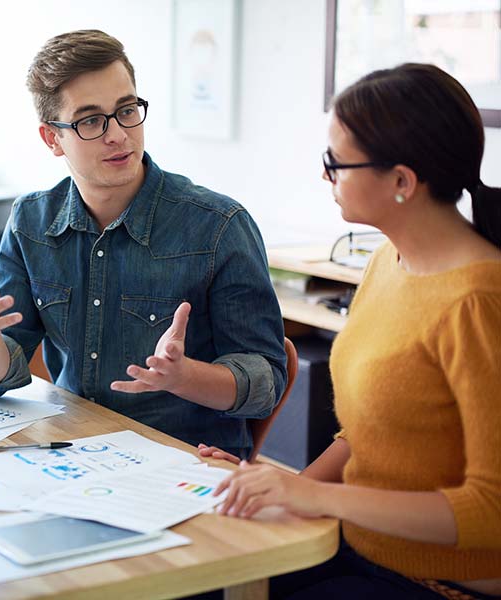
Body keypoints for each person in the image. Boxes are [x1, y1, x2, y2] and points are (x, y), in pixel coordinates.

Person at [199, 63, 501, 599]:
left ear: (402, 181)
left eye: (335, 163)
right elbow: (373, 432)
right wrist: (285, 488)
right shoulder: (390, 260)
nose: (325, 176)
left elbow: (491, 512)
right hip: (356, 546)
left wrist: (317, 499)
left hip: (437, 583)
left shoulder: (477, 304)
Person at [0, 29, 286, 456]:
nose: (118, 135)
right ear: (53, 138)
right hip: (71, 453)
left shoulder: (219, 226)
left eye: (127, 110)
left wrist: (184, 376)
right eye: (91, 120)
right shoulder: (32, 221)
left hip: (183, 464)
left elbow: (266, 382)